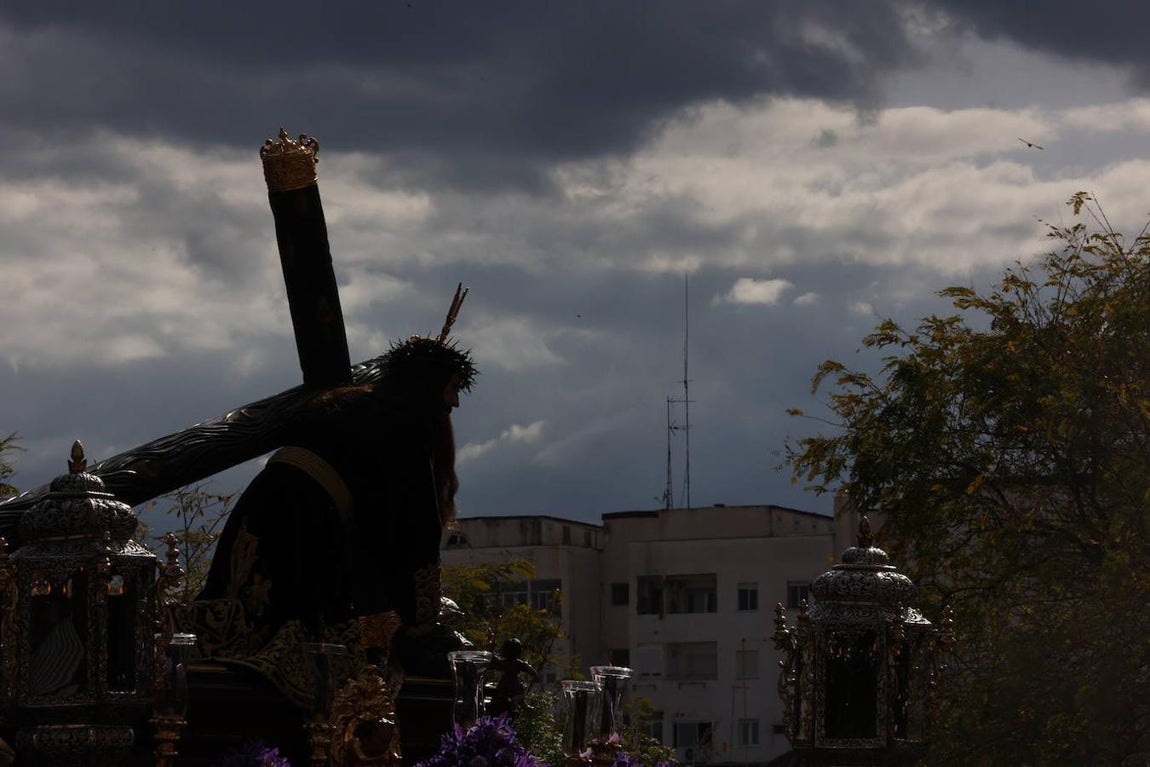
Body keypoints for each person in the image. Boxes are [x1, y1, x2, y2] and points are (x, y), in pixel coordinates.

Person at [192, 291, 477, 707]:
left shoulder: (353, 405)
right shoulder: (409, 427)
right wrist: (420, 622)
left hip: (262, 507)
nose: (453, 402)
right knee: (316, 649)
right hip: (305, 522)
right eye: (452, 389)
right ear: (429, 388)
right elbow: (413, 531)